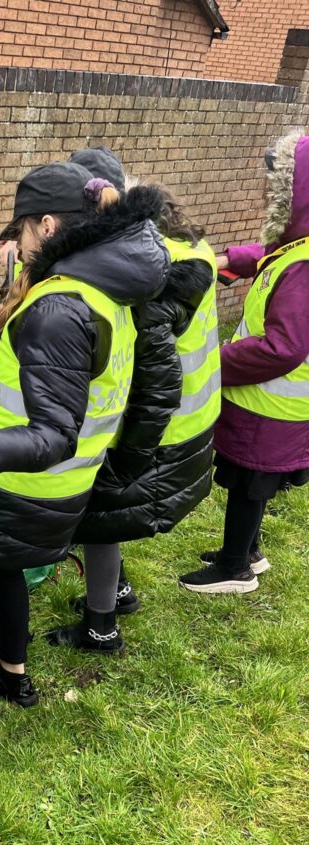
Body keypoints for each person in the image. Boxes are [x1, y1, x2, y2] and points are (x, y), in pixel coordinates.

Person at [0, 163, 169, 719]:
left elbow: (53, 430)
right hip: (68, 484)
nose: (18, 248)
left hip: (19, 477)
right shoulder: (105, 293)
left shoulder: (58, 308)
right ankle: (13, 676)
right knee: (7, 569)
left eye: (21, 232)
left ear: (46, 225)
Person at [49, 165, 220, 651]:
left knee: (103, 510)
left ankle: (101, 626)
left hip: (160, 431)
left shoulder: (152, 282)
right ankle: (117, 590)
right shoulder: (186, 248)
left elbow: (156, 385)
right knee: (111, 511)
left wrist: (127, 461)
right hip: (195, 420)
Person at [179, 131, 309, 594]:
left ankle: (234, 569)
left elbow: (284, 347)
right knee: (254, 482)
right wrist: (222, 261)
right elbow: (270, 255)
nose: (264, 194)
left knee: (249, 481)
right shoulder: (299, 248)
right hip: (272, 403)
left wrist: (215, 362)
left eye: (275, 189)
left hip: (272, 405)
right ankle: (248, 551)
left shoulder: (304, 270)